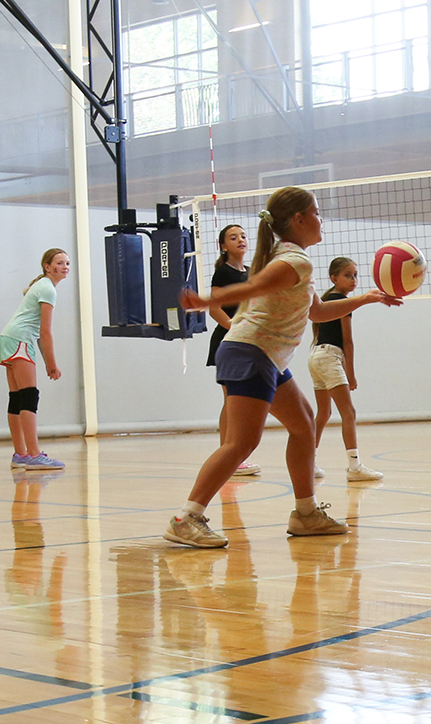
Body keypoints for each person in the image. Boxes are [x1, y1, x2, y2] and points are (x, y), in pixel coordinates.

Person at [167, 187, 401, 548]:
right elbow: (255, 285)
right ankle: (186, 518)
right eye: (317, 212)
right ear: (299, 219)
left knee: (304, 425)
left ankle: (306, 514)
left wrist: (365, 298)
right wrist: (207, 301)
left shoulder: (289, 257)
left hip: (266, 357)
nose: (321, 219)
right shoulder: (293, 261)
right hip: (251, 351)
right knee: (241, 443)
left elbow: (318, 312)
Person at [310, 256, 383, 482]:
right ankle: (354, 467)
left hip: (315, 356)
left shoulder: (327, 300)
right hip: (330, 356)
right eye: (347, 275)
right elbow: (347, 341)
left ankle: (308, 463)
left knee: (323, 413)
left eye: (355, 275)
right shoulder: (341, 301)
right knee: (348, 412)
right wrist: (350, 373)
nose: (353, 280)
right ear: (334, 278)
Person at [0, 249, 69, 470]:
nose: (65, 266)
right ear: (47, 267)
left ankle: (21, 453)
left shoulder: (43, 286)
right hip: (19, 340)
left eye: (67, 263)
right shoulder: (48, 289)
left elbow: (38, 331)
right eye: (59, 262)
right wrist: (52, 364)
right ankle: (34, 454)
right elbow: (45, 332)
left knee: (17, 398)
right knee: (28, 396)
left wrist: (47, 361)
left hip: (8, 338)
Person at [203, 224, 261, 477]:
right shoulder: (223, 273)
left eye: (243, 236)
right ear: (223, 246)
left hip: (248, 342)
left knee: (240, 401)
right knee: (231, 400)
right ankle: (229, 457)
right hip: (228, 341)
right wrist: (233, 328)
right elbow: (214, 308)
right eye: (233, 237)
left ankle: (232, 455)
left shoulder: (251, 272)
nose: (240, 240)